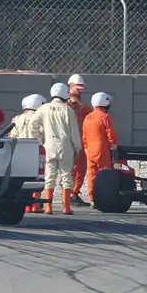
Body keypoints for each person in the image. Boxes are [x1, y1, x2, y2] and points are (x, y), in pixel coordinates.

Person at [30, 83, 82, 215]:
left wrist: (39, 139)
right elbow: (74, 132)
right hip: (65, 146)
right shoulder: (68, 110)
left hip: (49, 145)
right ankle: (66, 208)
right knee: (66, 176)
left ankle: (48, 207)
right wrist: (77, 148)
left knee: (49, 176)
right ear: (65, 94)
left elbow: (32, 124)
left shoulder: (43, 108)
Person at [10, 94, 47, 213]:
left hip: (19, 151)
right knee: (36, 178)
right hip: (34, 151)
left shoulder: (16, 118)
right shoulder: (39, 118)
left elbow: (11, 136)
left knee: (21, 179)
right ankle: (36, 205)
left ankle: (25, 206)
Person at [82, 92, 119, 207]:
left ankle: (93, 198)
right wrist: (114, 145)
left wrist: (86, 149)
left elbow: (84, 135)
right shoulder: (105, 117)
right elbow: (110, 134)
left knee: (92, 175)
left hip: (89, 150)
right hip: (102, 150)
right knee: (105, 174)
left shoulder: (88, 117)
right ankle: (104, 198)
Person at [66, 73, 91, 207]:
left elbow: (91, 115)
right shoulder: (66, 104)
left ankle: (74, 193)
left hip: (80, 140)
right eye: (78, 87)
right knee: (71, 168)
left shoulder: (81, 105)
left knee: (81, 168)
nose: (80, 90)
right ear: (70, 86)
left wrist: (80, 104)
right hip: (69, 140)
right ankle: (69, 193)